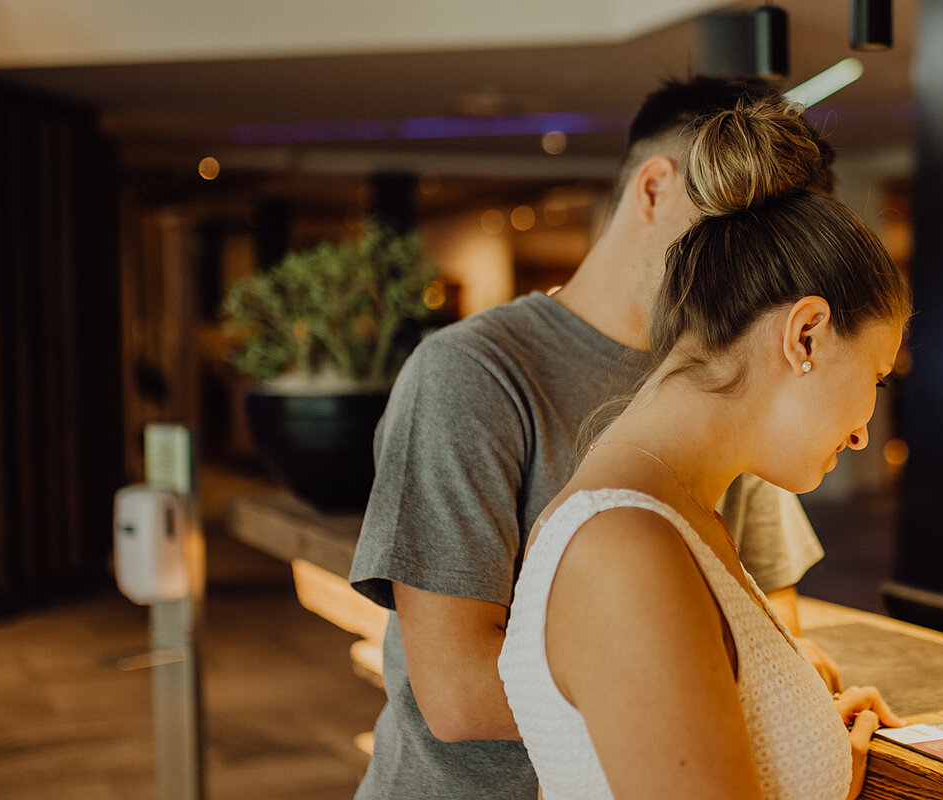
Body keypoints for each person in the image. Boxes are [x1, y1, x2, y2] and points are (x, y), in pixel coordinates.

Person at [347, 76, 844, 799]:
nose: (751, 262)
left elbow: (771, 631)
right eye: (732, 224)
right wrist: (718, 699)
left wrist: (805, 716)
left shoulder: (731, 378)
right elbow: (455, 691)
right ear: (652, 189)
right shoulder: (471, 373)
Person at [498, 98, 910, 799]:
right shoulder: (627, 546)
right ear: (804, 334)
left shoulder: (675, 516)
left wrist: (808, 754)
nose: (864, 430)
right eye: (873, 375)